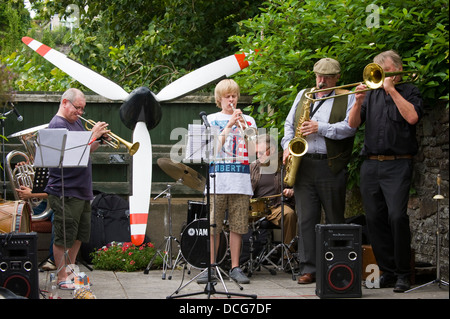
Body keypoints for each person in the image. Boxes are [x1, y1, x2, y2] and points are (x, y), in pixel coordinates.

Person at [348, 50, 423, 292]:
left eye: (387, 70)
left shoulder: (409, 91)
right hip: (371, 164)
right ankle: (387, 272)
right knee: (374, 219)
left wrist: (391, 90)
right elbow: (353, 124)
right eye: (381, 71)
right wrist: (358, 101)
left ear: (397, 71)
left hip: (398, 163)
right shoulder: (372, 94)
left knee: (397, 217)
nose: (384, 75)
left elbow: (412, 118)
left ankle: (403, 273)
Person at [281, 58, 356, 284]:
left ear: (337, 77)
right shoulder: (304, 94)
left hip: (330, 164)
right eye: (318, 77)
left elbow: (349, 129)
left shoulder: (347, 95)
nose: (322, 82)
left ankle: (338, 266)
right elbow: (288, 125)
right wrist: (287, 146)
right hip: (304, 164)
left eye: (327, 78)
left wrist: (319, 128)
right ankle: (308, 268)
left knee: (334, 217)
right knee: (305, 218)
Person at [44, 88, 110, 290]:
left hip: (81, 189)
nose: (80, 112)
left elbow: (85, 152)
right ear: (65, 102)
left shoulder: (76, 122)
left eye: (82, 109)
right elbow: (67, 157)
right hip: (65, 190)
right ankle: (62, 277)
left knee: (80, 234)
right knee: (65, 236)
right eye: (77, 108)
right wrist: (92, 135)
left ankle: (70, 272)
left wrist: (97, 141)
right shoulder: (57, 126)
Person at [198, 78, 256, 284]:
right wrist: (229, 125)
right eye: (227, 97)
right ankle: (211, 266)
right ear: (219, 99)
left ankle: (235, 267)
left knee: (238, 226)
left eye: (234, 96)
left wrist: (242, 125)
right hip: (217, 181)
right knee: (213, 225)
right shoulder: (211, 120)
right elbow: (210, 151)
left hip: (240, 181)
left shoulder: (248, 120)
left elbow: (253, 151)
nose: (231, 100)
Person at [250, 134, 297, 246]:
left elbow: (297, 186)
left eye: (261, 152)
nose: (258, 156)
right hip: (257, 207)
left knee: (289, 214)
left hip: (276, 207)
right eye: (257, 153)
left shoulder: (285, 165)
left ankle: (288, 255)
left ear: (272, 149)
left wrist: (292, 191)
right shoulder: (253, 166)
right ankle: (243, 257)